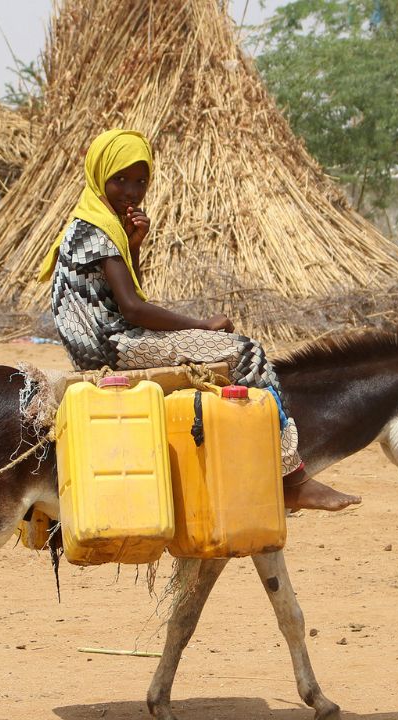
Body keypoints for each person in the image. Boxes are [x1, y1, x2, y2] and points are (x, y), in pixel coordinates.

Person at [38, 129, 359, 512]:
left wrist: (134, 244)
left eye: (140, 182)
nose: (131, 191)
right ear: (98, 175)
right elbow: (134, 310)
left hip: (108, 340)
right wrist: (200, 325)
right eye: (119, 179)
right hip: (114, 346)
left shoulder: (93, 223)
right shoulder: (97, 230)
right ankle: (291, 477)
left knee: (227, 353)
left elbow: (130, 298)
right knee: (244, 353)